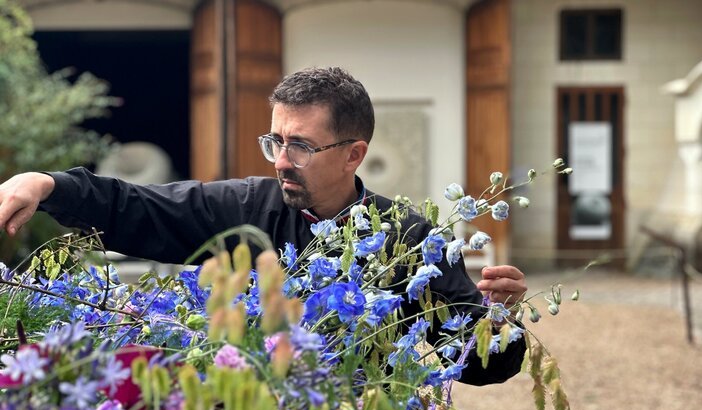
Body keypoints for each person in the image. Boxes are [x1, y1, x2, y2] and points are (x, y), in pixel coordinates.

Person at [0, 66, 527, 385]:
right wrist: (46, 185)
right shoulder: (243, 209)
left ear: (354, 154)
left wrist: (498, 324)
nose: (280, 158)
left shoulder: (408, 238)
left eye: (300, 144)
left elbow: (478, 363)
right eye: (275, 140)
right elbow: (136, 206)